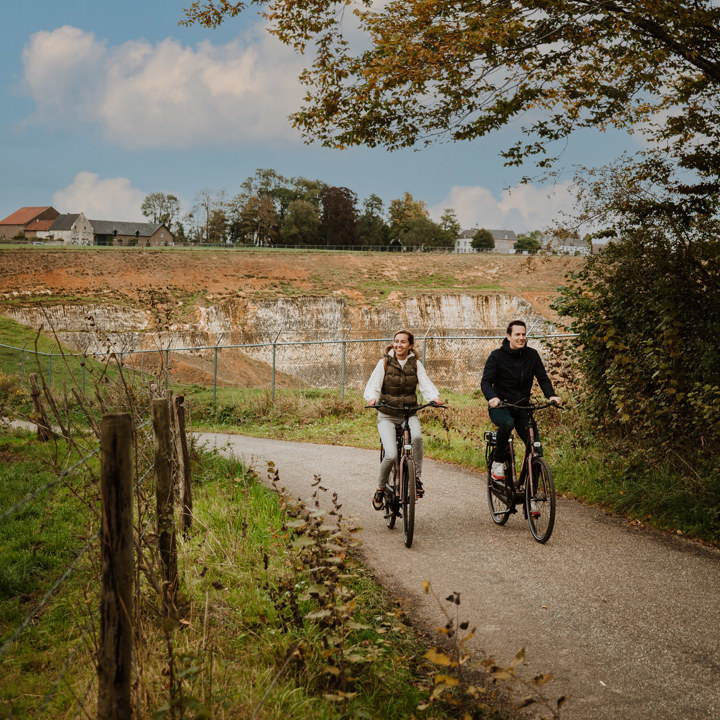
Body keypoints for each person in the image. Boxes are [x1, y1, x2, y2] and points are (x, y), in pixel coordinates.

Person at [364, 330, 444, 511]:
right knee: (391, 455)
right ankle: (380, 488)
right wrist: (372, 398)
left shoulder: (415, 364)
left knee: (416, 438)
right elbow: (374, 386)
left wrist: (434, 397)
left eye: (403, 342)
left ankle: (415, 478)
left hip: (409, 414)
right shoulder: (384, 363)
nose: (399, 345)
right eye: (396, 342)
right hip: (387, 414)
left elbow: (425, 384)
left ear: (410, 345)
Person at [480, 320, 561, 484]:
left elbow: (543, 379)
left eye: (524, 334)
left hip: (523, 407)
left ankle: (532, 499)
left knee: (536, 450)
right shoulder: (496, 356)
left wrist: (551, 395)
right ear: (508, 336)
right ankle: (498, 462)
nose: (521, 337)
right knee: (507, 423)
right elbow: (486, 383)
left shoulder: (532, 355)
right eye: (517, 334)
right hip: (501, 406)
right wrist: (492, 398)